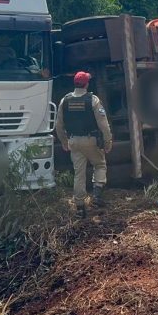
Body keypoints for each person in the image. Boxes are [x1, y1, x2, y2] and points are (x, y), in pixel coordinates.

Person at [55, 71, 113, 218]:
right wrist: (108, 141)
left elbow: (59, 125)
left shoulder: (65, 100)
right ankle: (97, 196)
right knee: (99, 165)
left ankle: (80, 208)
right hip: (91, 140)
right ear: (87, 84)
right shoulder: (93, 100)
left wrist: (63, 142)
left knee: (78, 174)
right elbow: (104, 125)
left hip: (73, 141)